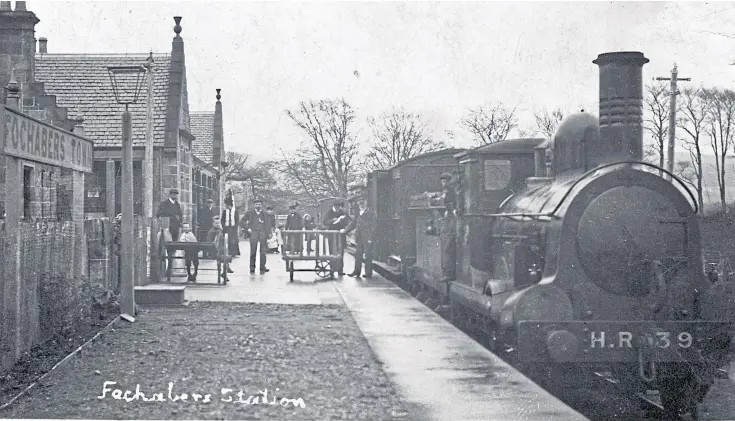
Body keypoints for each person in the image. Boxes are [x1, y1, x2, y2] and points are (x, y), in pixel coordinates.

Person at [342, 197, 376, 278]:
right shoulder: (358, 213)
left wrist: (371, 238)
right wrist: (345, 230)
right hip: (359, 237)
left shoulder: (370, 213)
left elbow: (373, 226)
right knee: (357, 255)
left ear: (366, 203)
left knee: (368, 255)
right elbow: (353, 224)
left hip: (367, 237)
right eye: (360, 203)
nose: (361, 205)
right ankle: (356, 272)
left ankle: (368, 273)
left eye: (363, 203)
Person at [242, 199, 272, 274]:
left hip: (262, 233)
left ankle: (262, 267)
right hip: (253, 233)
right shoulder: (249, 213)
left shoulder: (264, 213)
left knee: (263, 252)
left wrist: (269, 233)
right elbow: (242, 221)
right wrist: (247, 228)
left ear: (261, 205)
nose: (258, 205)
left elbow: (268, 224)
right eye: (256, 204)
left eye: (259, 204)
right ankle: (252, 268)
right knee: (253, 251)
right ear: (254, 205)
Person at [323, 200, 351, 275]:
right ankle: (332, 268)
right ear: (334, 206)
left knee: (341, 252)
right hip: (332, 235)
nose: (337, 208)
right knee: (332, 251)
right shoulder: (329, 212)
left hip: (341, 234)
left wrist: (342, 221)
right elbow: (324, 222)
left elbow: (347, 221)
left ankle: (340, 270)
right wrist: (332, 220)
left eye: (338, 207)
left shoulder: (343, 212)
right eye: (336, 207)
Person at [439, 173, 457, 282]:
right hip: (451, 216)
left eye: (444, 181)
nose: (443, 183)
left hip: (451, 218)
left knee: (447, 244)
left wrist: (448, 210)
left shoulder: (448, 189)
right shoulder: (452, 188)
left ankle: (448, 273)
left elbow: (445, 201)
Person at [206, 215, 230, 281]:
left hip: (219, 249)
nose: (217, 225)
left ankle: (225, 271)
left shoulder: (220, 230)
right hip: (214, 251)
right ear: (212, 223)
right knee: (225, 258)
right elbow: (209, 242)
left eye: (219, 223)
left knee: (226, 256)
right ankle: (225, 271)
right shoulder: (212, 231)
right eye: (216, 223)